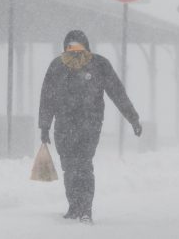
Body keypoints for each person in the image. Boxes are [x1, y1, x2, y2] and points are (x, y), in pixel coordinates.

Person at [39, 30, 142, 225]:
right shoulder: (58, 66)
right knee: (69, 167)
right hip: (67, 125)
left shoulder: (98, 65)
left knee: (83, 165)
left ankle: (85, 209)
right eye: (72, 48)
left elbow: (117, 92)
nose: (75, 52)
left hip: (88, 125)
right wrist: (44, 126)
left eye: (78, 47)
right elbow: (47, 97)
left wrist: (133, 118)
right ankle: (74, 206)